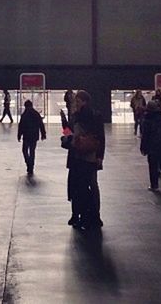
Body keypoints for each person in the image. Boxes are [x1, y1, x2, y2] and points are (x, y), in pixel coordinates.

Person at [61, 90, 105, 230]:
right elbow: (71, 134)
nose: (76, 103)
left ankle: (83, 215)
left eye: (78, 101)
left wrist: (99, 156)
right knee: (84, 186)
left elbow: (71, 135)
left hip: (82, 157)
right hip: (85, 156)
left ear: (85, 101)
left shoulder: (83, 116)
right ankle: (87, 216)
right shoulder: (83, 116)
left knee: (81, 187)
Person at [17, 100, 46, 175]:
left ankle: (28, 163)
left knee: (25, 151)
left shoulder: (24, 114)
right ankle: (31, 166)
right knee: (32, 151)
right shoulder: (36, 114)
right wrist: (43, 134)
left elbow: (21, 126)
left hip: (26, 136)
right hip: (34, 136)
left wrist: (19, 135)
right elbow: (41, 124)